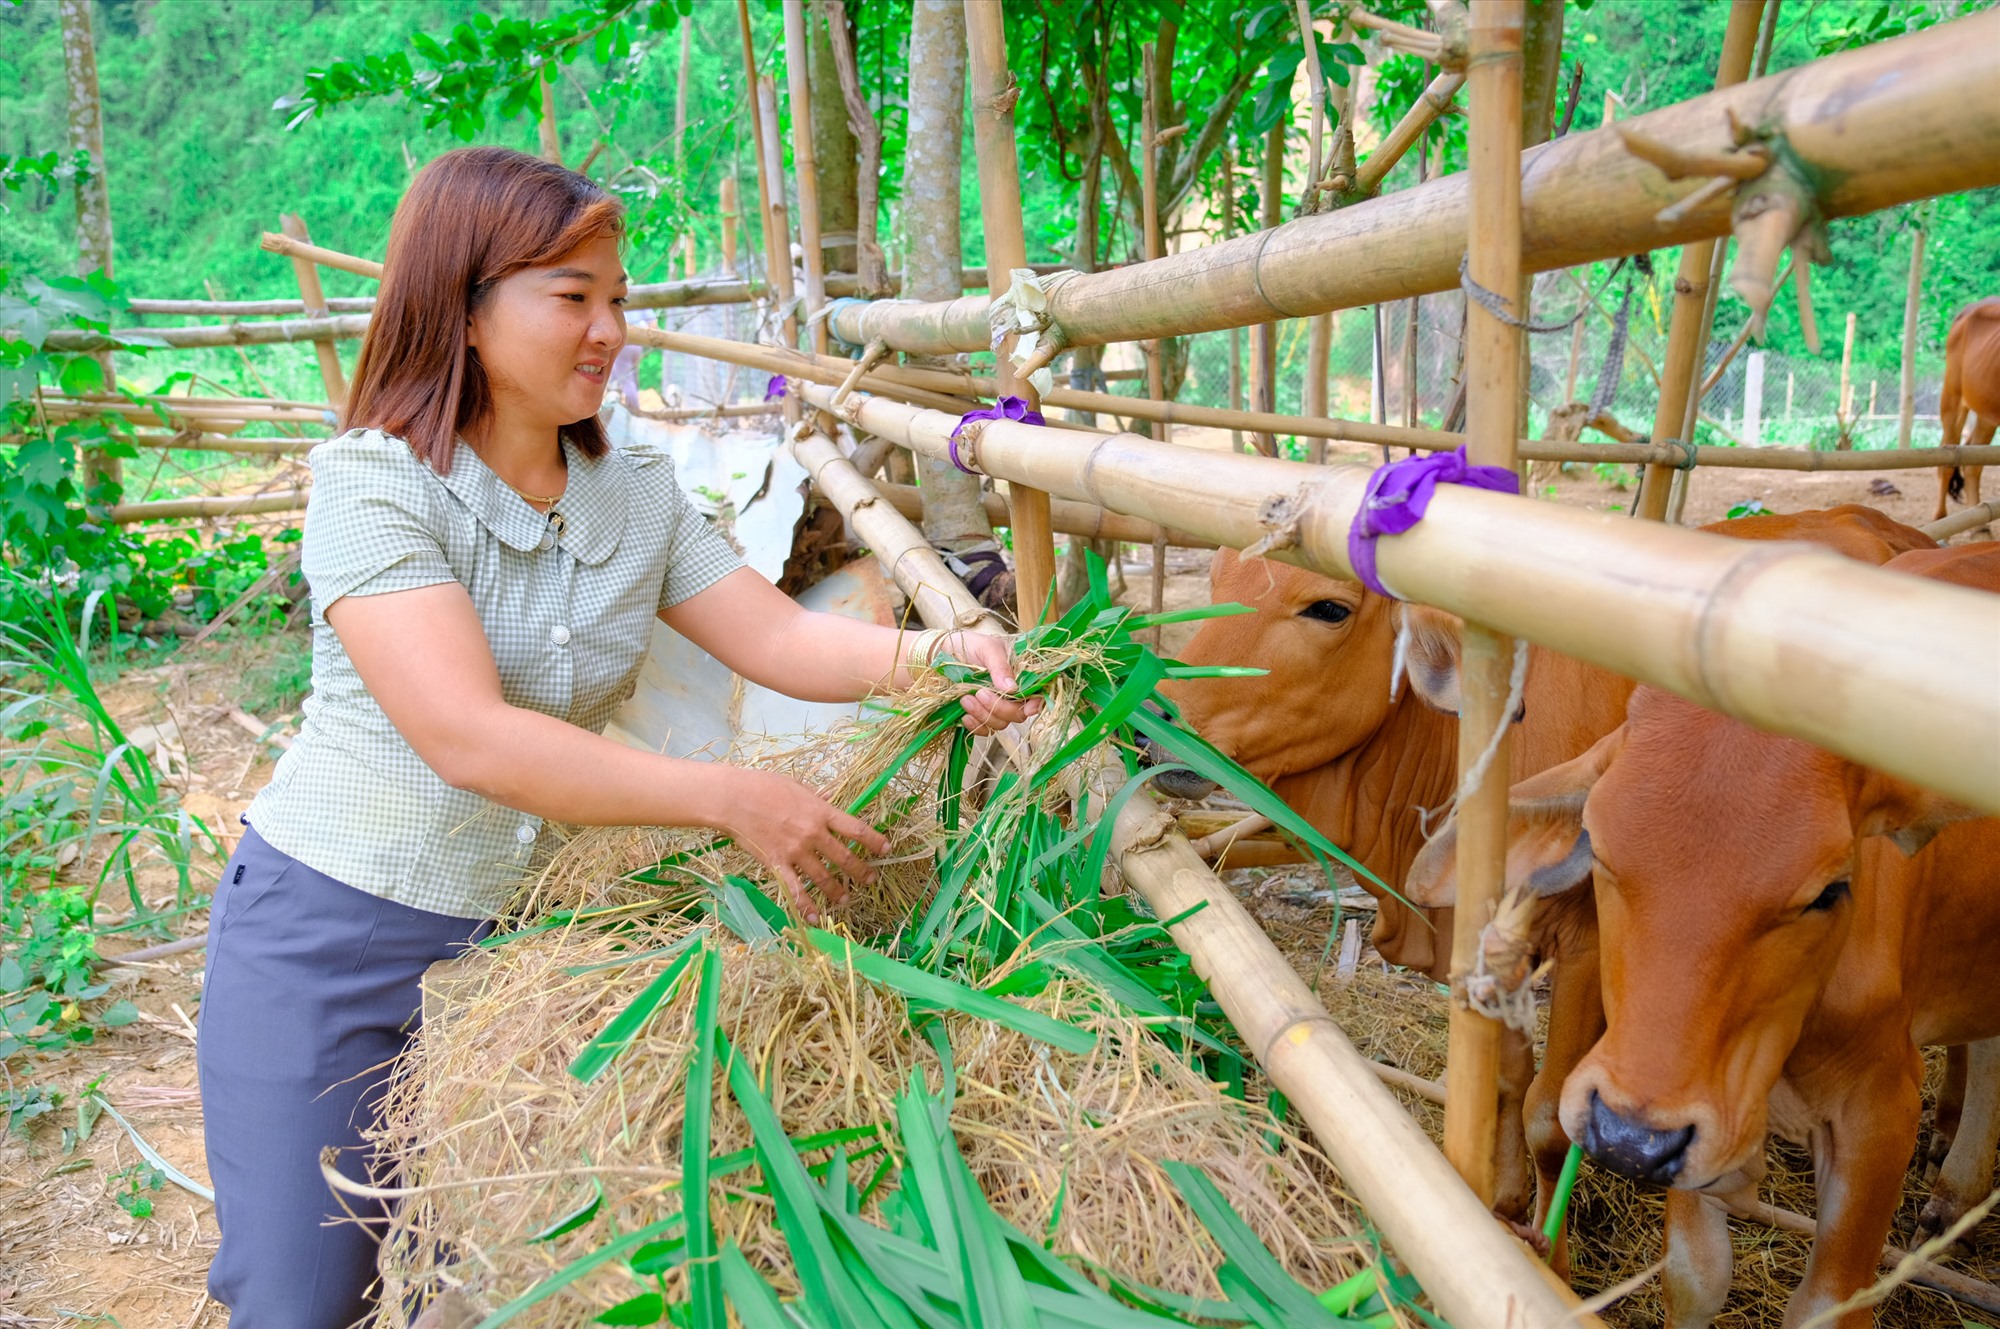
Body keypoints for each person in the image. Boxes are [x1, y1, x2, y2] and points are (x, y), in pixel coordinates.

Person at [194, 146, 1037, 1326]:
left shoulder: (630, 490)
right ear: (466, 308)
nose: (609, 330)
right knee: (303, 1293)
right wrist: (728, 797)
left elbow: (781, 644)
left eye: (618, 299)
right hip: (333, 932)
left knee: (473, 1278)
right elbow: (469, 738)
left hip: (517, 945)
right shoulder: (374, 485)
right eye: (571, 298)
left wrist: (940, 661)